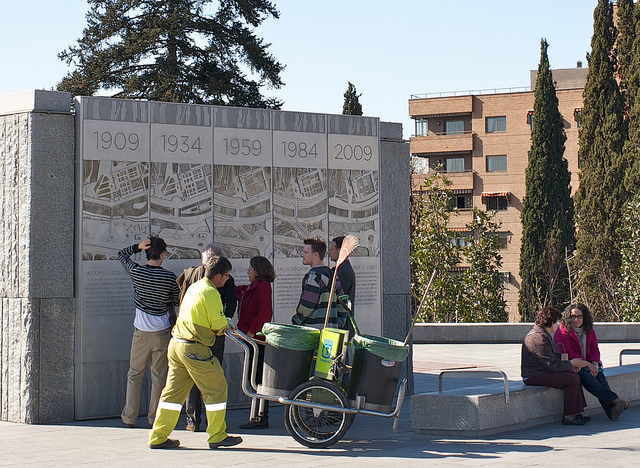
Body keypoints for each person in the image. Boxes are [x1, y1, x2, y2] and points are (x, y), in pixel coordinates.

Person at [148, 255, 242, 449]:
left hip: (177, 345)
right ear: (217, 276)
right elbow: (217, 325)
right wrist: (227, 323)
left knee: (172, 395)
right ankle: (217, 435)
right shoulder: (211, 292)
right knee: (217, 388)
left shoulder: (195, 287)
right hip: (194, 347)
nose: (227, 279)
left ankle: (158, 436)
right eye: (226, 276)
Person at [118, 236, 180, 429]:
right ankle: (154, 418)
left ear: (147, 252)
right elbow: (176, 301)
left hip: (141, 333)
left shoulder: (137, 272)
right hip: (162, 333)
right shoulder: (170, 277)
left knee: (134, 375)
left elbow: (121, 255)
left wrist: (136, 247)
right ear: (162, 254)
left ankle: (129, 417)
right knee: (159, 377)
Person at [176, 242, 237, 432]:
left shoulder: (192, 276)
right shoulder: (213, 288)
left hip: (186, 336)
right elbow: (231, 304)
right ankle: (215, 425)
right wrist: (225, 322)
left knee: (191, 379)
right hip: (213, 335)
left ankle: (192, 421)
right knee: (215, 380)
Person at [554, 303, 628, 421]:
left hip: (588, 364)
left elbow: (594, 349)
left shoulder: (589, 330)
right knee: (588, 378)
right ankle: (614, 400)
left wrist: (594, 363)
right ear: (568, 317)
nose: (576, 319)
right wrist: (588, 365)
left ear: (585, 317)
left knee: (600, 377)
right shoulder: (562, 332)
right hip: (572, 366)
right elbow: (569, 354)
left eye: (579, 316)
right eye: (573, 316)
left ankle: (612, 411)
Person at [521, 307, 591, 425]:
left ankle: (575, 412)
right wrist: (571, 364)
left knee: (573, 374)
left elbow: (555, 357)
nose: (559, 325)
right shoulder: (538, 337)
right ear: (551, 322)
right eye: (557, 322)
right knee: (571, 379)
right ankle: (569, 416)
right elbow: (551, 364)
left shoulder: (543, 334)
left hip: (542, 371)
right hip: (534, 375)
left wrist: (572, 365)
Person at [235, 256, 276, 430]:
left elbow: (265, 313)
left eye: (250, 268)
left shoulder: (263, 286)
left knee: (257, 378)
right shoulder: (254, 286)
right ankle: (256, 415)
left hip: (255, 340)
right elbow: (241, 292)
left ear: (258, 270)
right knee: (253, 377)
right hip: (249, 338)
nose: (248, 271)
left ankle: (260, 416)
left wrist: (251, 333)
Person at [292, 237, 348, 330]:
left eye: (305, 252)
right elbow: (343, 303)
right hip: (331, 331)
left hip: (313, 332)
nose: (302, 255)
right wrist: (337, 324)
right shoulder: (333, 275)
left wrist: (296, 320)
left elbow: (307, 305)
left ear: (315, 255)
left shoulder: (314, 276)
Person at [329, 236, 356, 336]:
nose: (329, 252)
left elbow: (339, 298)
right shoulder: (340, 269)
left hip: (342, 325)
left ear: (340, 251)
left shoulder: (344, 272)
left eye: (332, 249)